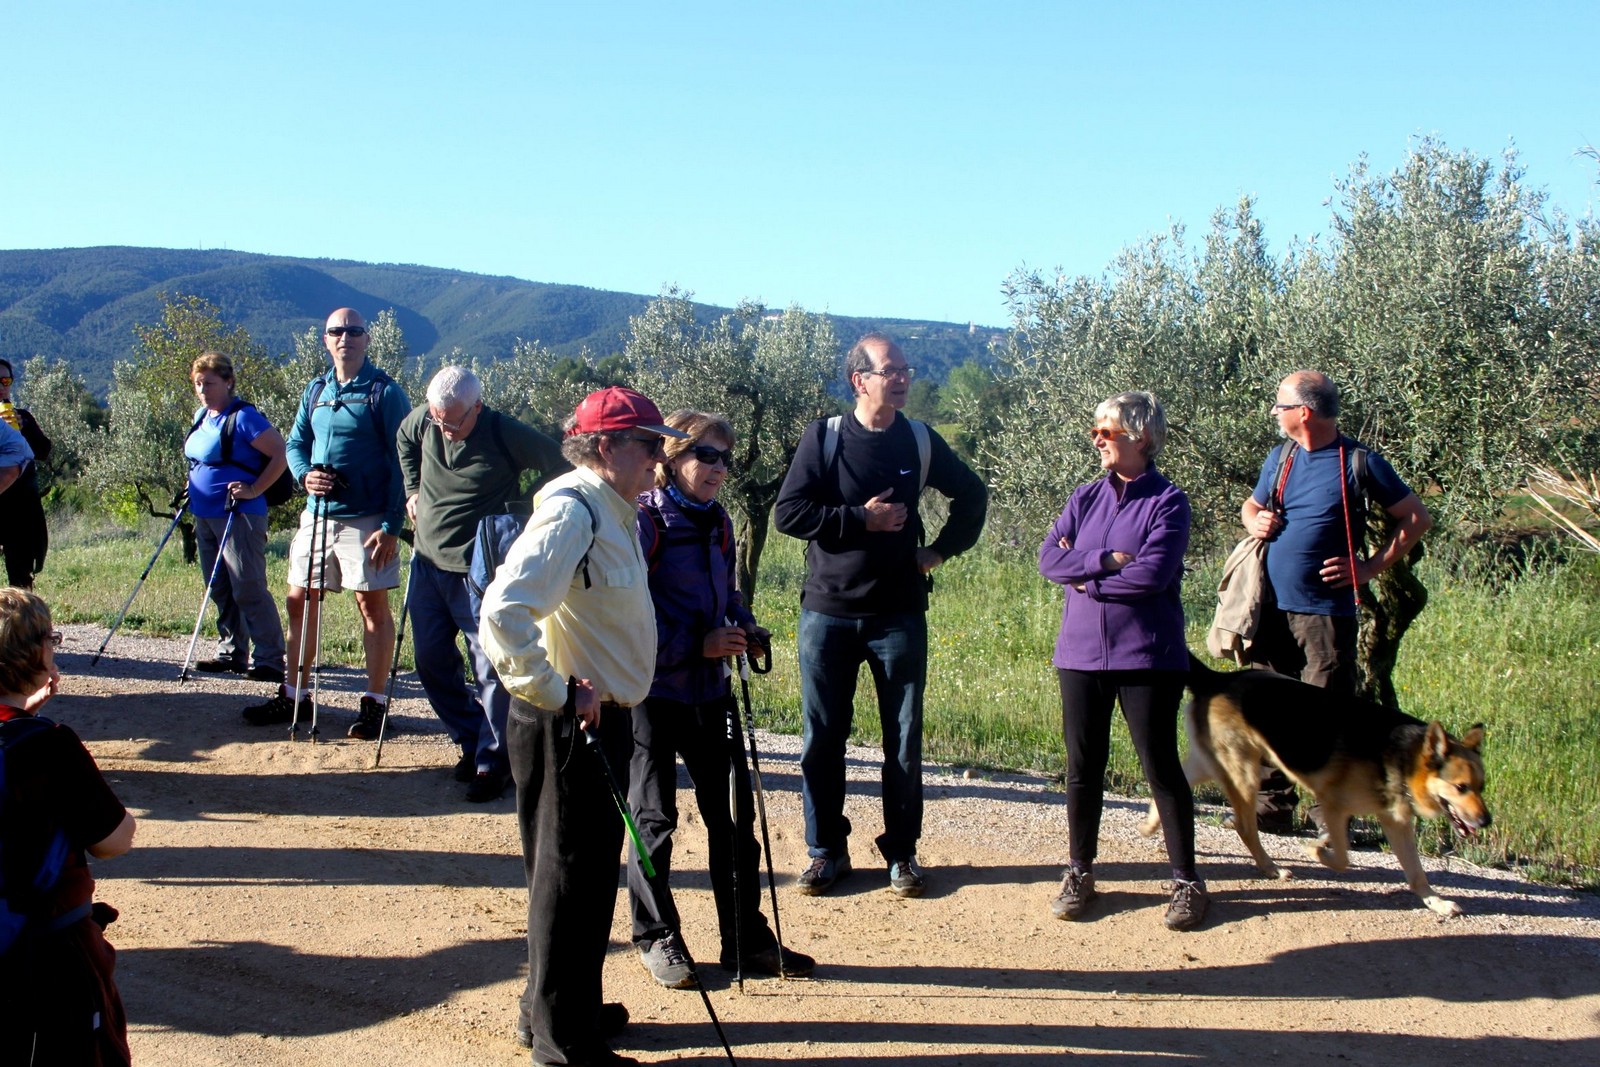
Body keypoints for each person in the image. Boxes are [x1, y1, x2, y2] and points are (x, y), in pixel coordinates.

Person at [479, 386, 686, 1067]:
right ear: (605, 446)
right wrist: (559, 691)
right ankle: (564, 1042)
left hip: (593, 718)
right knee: (569, 877)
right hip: (568, 723)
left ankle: (557, 1009)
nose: (660, 457)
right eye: (648, 444)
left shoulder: (611, 508)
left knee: (581, 875)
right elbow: (503, 612)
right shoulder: (572, 510)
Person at [774, 332, 987, 898]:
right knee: (822, 739)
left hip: (899, 615)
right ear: (859, 380)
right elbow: (788, 514)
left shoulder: (918, 439)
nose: (902, 378)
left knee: (903, 741)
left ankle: (902, 853)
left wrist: (939, 551)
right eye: (890, 370)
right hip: (827, 613)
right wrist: (859, 520)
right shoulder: (824, 438)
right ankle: (825, 851)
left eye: (905, 369)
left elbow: (973, 495)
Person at [626, 409, 815, 990]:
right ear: (670, 458)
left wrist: (743, 625)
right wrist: (697, 644)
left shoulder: (719, 521)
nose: (719, 468)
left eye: (725, 458)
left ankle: (745, 937)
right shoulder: (645, 520)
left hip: (711, 690)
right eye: (705, 455)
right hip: (653, 694)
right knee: (654, 820)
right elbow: (628, 615)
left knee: (733, 818)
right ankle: (657, 937)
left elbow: (727, 593)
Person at [1038, 392, 1206, 931]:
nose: (1096, 440)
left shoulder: (1168, 502)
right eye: (1095, 430)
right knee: (1082, 768)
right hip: (1079, 654)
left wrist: (1084, 577)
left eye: (1105, 432)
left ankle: (1187, 882)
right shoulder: (1085, 497)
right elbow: (1048, 559)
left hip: (1147, 656)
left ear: (1141, 436)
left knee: (1160, 767)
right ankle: (1079, 871)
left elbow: (1151, 576)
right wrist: (1104, 561)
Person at [1240, 370, 1433, 830]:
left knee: (1325, 719)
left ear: (1304, 413)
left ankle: (1330, 819)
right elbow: (1251, 505)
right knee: (1269, 711)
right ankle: (1270, 811)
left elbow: (1415, 518)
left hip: (1325, 615)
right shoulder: (1281, 456)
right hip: (1270, 607)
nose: (1274, 412)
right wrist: (1253, 521)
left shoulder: (1360, 462)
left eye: (1280, 405)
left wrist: (1368, 568)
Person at [241, 309, 411, 738]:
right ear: (326, 339)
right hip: (316, 514)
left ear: (367, 339)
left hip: (368, 520)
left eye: (354, 331)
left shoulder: (385, 392)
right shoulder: (316, 389)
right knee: (300, 599)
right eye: (337, 331)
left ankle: (375, 704)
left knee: (371, 606)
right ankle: (294, 694)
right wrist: (304, 475)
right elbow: (296, 443)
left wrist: (392, 525)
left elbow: (404, 460)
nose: (345, 337)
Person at [396, 366, 564, 802]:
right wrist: (412, 489)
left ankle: (494, 762)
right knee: (430, 660)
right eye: (438, 420)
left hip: (479, 570)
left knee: (489, 667)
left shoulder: (504, 432)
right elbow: (404, 438)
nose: (445, 430)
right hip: (427, 564)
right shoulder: (426, 420)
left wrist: (524, 507)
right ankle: (471, 740)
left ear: (477, 408)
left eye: (454, 422)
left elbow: (561, 461)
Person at [0, 587, 138, 1064]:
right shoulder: (50, 745)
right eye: (51, 639)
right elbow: (113, 840)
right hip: (48, 953)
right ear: (34, 653)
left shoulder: (32, 738)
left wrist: (22, 714)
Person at [183, 352, 289, 683]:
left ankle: (270, 659)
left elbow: (280, 453)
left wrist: (255, 489)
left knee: (248, 586)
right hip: (204, 513)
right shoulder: (202, 416)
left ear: (228, 382)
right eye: (198, 384)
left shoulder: (244, 417)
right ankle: (232, 652)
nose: (203, 390)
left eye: (209, 383)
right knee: (218, 585)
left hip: (238, 514)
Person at [0, 358, 51, 588]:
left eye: (6, 381)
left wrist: (24, 429)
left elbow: (43, 450)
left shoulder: (22, 417)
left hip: (21, 511)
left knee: (21, 579)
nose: (2, 386)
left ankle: (25, 612)